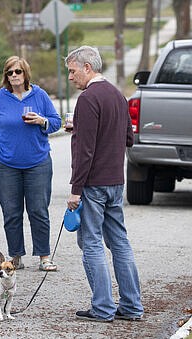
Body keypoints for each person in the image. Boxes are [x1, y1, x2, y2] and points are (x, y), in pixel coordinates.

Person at [65, 46, 144, 322]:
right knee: (120, 242)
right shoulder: (118, 95)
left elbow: (84, 150)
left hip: (94, 184)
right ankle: (132, 306)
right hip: (115, 181)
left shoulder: (88, 100)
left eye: (73, 71)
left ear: (88, 67)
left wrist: (76, 189)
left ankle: (102, 307)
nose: (71, 78)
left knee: (92, 243)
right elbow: (128, 139)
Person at [0, 56, 62, 271]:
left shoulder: (40, 95)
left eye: (18, 72)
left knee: (38, 211)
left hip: (38, 162)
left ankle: (44, 257)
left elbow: (56, 122)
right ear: (5, 76)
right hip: (6, 164)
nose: (14, 76)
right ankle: (16, 256)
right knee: (12, 212)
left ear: (26, 73)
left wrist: (42, 121)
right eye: (10, 72)